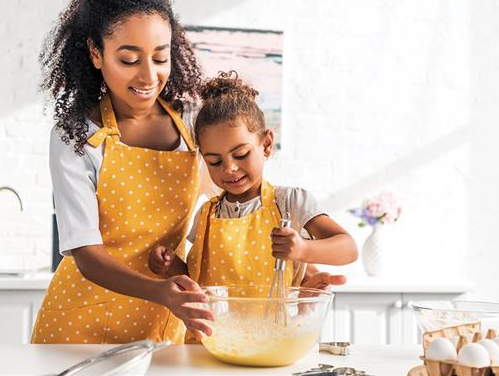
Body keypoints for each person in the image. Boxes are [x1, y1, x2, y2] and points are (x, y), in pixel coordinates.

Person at [31, 0, 214, 345]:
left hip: (161, 323)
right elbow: (85, 253)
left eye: (160, 58)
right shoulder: (77, 136)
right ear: (96, 53)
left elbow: (236, 205)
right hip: (79, 326)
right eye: (129, 59)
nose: (148, 77)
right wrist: (160, 291)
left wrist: (300, 268)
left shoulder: (193, 123)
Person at [149, 71, 358, 306]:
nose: (229, 168)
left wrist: (302, 249)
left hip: (272, 338)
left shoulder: (288, 202)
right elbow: (204, 287)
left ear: (266, 144)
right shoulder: (206, 215)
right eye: (214, 162)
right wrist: (172, 267)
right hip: (213, 339)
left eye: (240, 155)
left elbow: (348, 248)